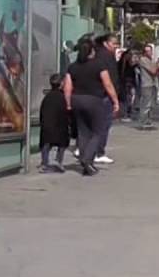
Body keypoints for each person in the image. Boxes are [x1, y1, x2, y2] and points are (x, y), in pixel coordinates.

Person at [63, 37, 120, 176]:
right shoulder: (99, 65)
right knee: (98, 131)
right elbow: (107, 84)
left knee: (83, 132)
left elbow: (67, 87)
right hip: (94, 100)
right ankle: (87, 159)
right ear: (91, 51)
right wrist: (115, 101)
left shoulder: (73, 67)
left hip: (77, 100)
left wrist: (68, 103)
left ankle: (85, 159)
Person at [92, 33, 121, 164]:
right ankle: (99, 152)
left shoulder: (97, 55)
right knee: (103, 125)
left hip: (96, 94)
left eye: (116, 44)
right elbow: (109, 81)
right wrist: (115, 99)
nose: (115, 46)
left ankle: (89, 150)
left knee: (95, 125)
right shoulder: (107, 57)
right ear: (105, 43)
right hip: (105, 95)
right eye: (113, 44)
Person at [38, 73, 70, 173]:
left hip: (47, 126)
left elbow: (42, 113)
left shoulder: (47, 97)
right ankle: (59, 161)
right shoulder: (62, 97)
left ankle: (44, 163)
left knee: (46, 143)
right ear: (61, 84)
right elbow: (66, 113)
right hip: (60, 126)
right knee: (62, 142)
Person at [136, 44, 159, 128]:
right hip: (146, 84)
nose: (149, 52)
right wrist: (157, 66)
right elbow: (153, 71)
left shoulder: (152, 60)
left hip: (153, 84)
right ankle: (142, 121)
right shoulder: (143, 60)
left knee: (152, 104)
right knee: (146, 104)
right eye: (146, 51)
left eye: (150, 51)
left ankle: (149, 120)